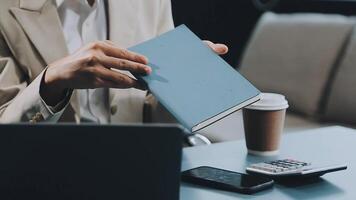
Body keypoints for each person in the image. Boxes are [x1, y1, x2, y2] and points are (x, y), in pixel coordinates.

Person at [0, 0, 228, 124]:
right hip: (41, 174)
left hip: (136, 166)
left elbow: (151, 116)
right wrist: (51, 82)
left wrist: (183, 85)